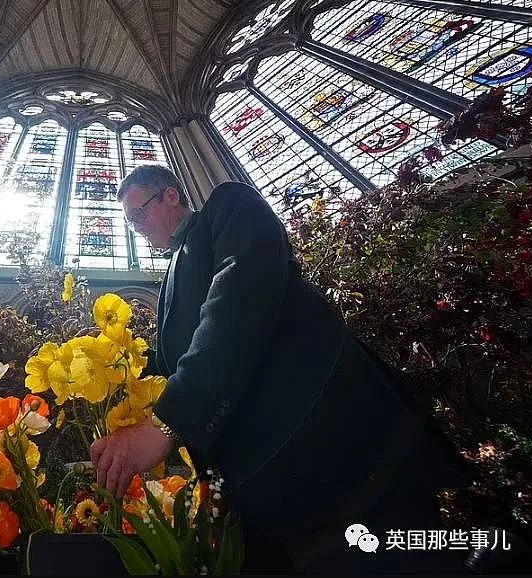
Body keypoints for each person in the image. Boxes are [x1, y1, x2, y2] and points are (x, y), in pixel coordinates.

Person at [89, 165, 475, 573]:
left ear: (170, 195)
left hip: (335, 452)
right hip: (260, 495)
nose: (136, 228)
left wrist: (167, 424)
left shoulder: (228, 205)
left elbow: (237, 303)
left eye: (139, 214)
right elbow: (169, 366)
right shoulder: (167, 283)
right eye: (130, 222)